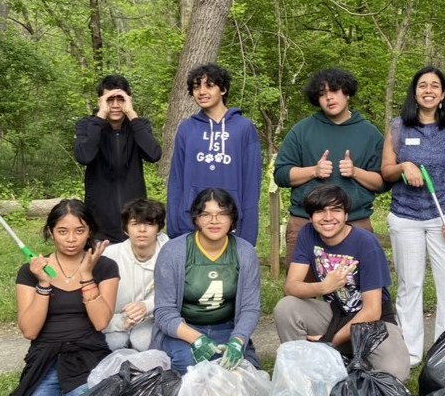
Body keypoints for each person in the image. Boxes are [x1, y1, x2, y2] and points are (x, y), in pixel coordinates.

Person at [3, 200, 118, 396]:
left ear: (90, 232)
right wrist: (43, 284)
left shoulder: (106, 267)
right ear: (50, 232)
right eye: (62, 231)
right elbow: (29, 330)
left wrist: (87, 276)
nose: (71, 239)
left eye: (80, 230)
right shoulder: (30, 271)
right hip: (45, 362)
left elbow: (100, 322)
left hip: (87, 360)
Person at [273, 185, 410, 382]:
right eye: (320, 211)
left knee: (395, 372)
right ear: (311, 218)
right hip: (336, 314)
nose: (328, 217)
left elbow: (372, 311)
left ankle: (339, 356)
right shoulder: (307, 234)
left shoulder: (366, 243)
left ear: (346, 215)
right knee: (287, 307)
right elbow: (291, 286)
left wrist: (328, 343)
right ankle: (302, 378)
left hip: (373, 323)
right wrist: (322, 288)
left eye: (336, 210)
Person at [381, 66, 445, 366]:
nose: (428, 90)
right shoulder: (397, 128)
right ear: (415, 93)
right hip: (405, 218)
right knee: (410, 284)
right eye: (422, 85)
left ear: (442, 94)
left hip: (443, 216)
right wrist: (404, 166)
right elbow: (386, 171)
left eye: (434, 86)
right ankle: (412, 353)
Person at [274, 68, 385, 267]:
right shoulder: (302, 130)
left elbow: (383, 182)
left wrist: (355, 172)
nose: (329, 98)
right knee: (298, 293)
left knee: (356, 291)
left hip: (355, 222)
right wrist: (313, 171)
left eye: (334, 91)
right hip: (305, 222)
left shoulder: (370, 134)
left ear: (347, 92)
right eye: (322, 94)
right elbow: (281, 175)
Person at [151, 188, 261, 374]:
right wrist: (196, 339)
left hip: (228, 329)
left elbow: (250, 307)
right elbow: (164, 311)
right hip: (185, 330)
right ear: (196, 218)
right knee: (192, 370)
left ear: (232, 218)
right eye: (206, 214)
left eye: (222, 214)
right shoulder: (173, 252)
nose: (214, 221)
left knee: (244, 374)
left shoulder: (245, 252)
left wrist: (238, 340)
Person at [167, 64, 262, 245]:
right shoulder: (186, 128)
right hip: (192, 222)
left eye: (209, 85)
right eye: (196, 87)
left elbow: (252, 183)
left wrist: (247, 233)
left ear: (223, 89)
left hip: (232, 222)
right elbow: (176, 180)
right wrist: (175, 226)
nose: (202, 92)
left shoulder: (243, 128)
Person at [74, 75, 162, 243]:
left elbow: (154, 154)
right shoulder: (87, 125)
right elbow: (84, 156)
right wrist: (100, 118)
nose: (115, 105)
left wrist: (132, 115)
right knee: (103, 267)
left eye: (120, 99)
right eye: (109, 100)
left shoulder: (138, 125)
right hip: (100, 217)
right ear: (100, 101)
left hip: (135, 215)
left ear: (128, 100)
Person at [102, 198, 169, 351]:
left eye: (149, 224)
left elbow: (177, 295)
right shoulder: (110, 255)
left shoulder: (170, 253)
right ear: (126, 229)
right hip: (115, 317)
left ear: (159, 229)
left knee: (142, 340)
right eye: (135, 224)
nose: (142, 230)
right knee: (113, 342)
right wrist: (119, 322)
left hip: (154, 318)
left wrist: (147, 306)